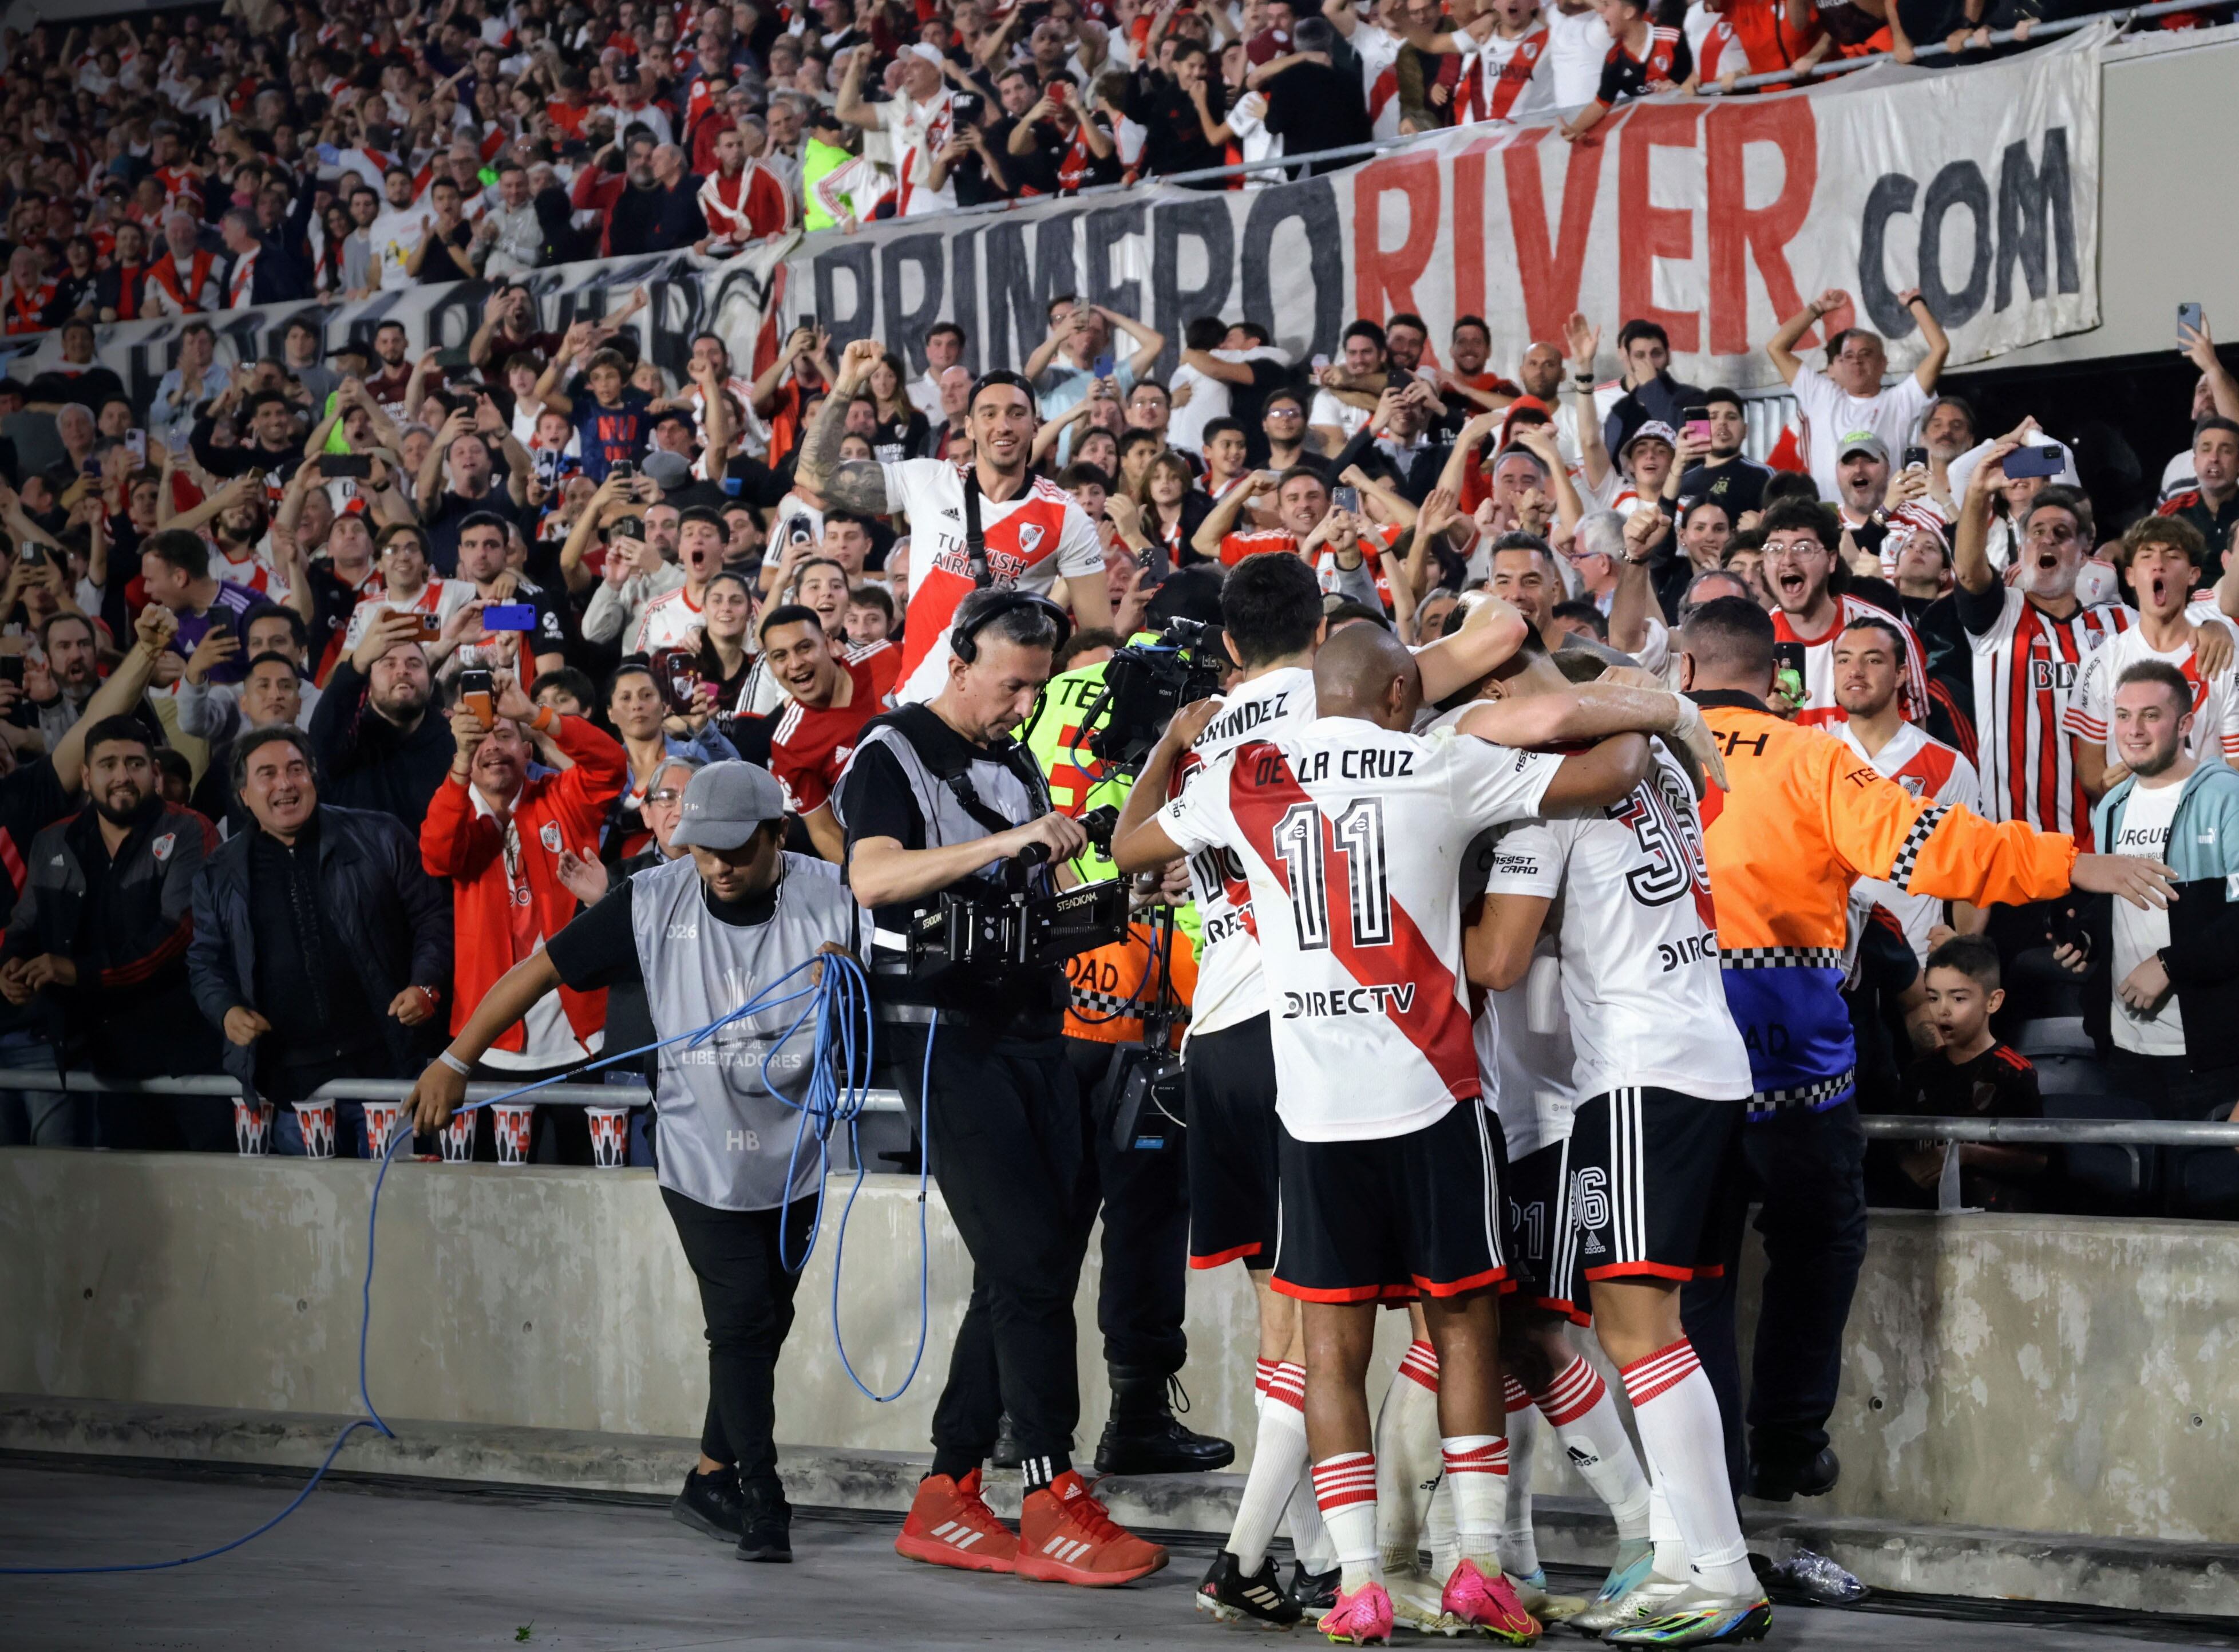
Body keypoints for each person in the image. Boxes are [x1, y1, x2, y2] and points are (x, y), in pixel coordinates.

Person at [1109, 555, 1716, 1627]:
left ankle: (1355, 1584)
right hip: (1440, 1095)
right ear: (1401, 692)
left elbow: (1126, 845)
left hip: (1304, 1101)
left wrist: (1170, 744)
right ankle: (1485, 1556)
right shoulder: (1438, 761)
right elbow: (1608, 763)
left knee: (1328, 1348)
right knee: (1470, 1330)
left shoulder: (1244, 772)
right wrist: (1645, 705)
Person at [1676, 595, 2177, 1513]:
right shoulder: (1811, 758)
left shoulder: (1640, 764)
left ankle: (1705, 1490)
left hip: (1668, 1072)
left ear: (1684, 671)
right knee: (1820, 1241)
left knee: (1693, 1276)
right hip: (1796, 1074)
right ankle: (1787, 1442)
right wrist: (2070, 864)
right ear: (1778, 678)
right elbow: (1933, 846)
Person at [410, 761, 857, 1564]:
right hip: (698, 1149)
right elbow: (539, 970)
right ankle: (764, 1497)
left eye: (735, 851)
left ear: (776, 834)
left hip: (796, 1152)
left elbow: (884, 996)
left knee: (767, 1321)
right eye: (702, 849)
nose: (716, 866)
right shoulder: (653, 898)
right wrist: (456, 1057)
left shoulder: (835, 891)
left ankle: (709, 1475)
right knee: (742, 1324)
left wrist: (844, 979)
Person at [835, 588, 1166, 1587]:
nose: (1022, 705)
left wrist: (1123, 892)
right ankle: (1047, 1489)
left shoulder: (1014, 759)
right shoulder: (890, 753)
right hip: (943, 1034)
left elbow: (1033, 895)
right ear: (959, 657)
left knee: (1029, 1264)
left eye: (1036, 686)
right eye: (1009, 683)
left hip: (1032, 1026)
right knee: (1026, 1266)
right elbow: (873, 878)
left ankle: (946, 1488)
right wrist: (1002, 844)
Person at [1459, 630, 1768, 1642]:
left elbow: (1498, 961)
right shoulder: (1659, 778)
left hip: (1638, 1071)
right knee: (1653, 1331)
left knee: (1636, 1333)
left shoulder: (1550, 785)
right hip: (1705, 1057)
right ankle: (1681, 1561)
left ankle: (1719, 1576)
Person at [800, 344, 1112, 706]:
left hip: (1004, 723)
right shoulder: (928, 481)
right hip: (918, 706)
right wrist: (846, 384)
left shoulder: (1065, 516)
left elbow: (1096, 641)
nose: (1003, 426)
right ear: (970, 426)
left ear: (1034, 426)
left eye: (1016, 413)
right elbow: (814, 476)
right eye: (989, 414)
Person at [188, 728, 450, 1157]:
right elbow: (205, 962)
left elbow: (433, 919)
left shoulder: (379, 835)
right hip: (291, 1093)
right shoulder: (218, 873)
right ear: (244, 795)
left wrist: (425, 984)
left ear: (313, 777)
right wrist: (226, 1010)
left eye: (296, 770)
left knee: (400, 1214)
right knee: (315, 1217)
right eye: (267, 774)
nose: (285, 784)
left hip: (387, 1075)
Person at [421, 671, 628, 1161]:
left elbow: (611, 764)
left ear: (527, 750)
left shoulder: (561, 797)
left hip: (582, 1041)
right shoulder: (456, 811)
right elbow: (437, 855)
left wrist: (534, 713)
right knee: (496, 1201)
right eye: (481, 738)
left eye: (505, 735)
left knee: (590, 1191)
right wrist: (458, 765)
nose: (493, 747)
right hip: (490, 1045)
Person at [1, 713, 224, 1149]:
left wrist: (79, 972)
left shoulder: (190, 829)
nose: (122, 776)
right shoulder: (53, 842)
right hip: (99, 1061)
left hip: (187, 1056)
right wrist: (11, 966)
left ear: (155, 773)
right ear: (86, 776)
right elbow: (26, 925)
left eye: (135, 764)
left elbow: (178, 934)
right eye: (108, 765)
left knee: (209, 1193)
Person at [2056, 662, 2239, 1121]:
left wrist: (2168, 965)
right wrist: (2087, 941)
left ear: (2185, 724)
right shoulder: (2113, 805)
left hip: (2210, 1056)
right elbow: (2115, 909)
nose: (2132, 731)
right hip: (2124, 1050)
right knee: (2132, 1189)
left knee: (2209, 1191)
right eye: (2122, 715)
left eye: (2150, 716)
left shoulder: (2227, 798)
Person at [1953, 439, 2133, 848]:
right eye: (2037, 532)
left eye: (2062, 533)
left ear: (2086, 549)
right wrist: (1979, 492)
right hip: (2014, 852)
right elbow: (1967, 572)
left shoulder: (2121, 624)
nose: (2047, 541)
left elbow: (2184, 629)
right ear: (2022, 544)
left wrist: (2208, 630)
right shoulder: (1999, 616)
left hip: (2097, 849)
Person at [1833, 615, 1984, 963]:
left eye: (1872, 660)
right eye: (1844, 660)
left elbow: (1971, 868)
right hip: (1828, 966)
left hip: (1914, 967)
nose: (1855, 671)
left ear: (1901, 674)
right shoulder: (1811, 755)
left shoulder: (1948, 766)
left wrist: (1962, 945)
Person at [2067, 515, 2239, 802]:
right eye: (2147, 556)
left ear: (2193, 575)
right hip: (2131, 830)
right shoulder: (2103, 661)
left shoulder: (2220, 656)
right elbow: (2091, 772)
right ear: (2131, 576)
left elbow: (2235, 762)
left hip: (2200, 826)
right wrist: (2106, 788)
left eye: (2172, 556)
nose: (2159, 564)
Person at [1874, 937, 2046, 1212]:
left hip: (1995, 1221)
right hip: (1925, 1219)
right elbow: (1899, 1140)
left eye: (1958, 998)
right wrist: (1908, 1163)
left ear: (1993, 1001)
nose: (1943, 1009)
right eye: (1933, 997)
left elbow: (2035, 1159)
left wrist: (1966, 1154)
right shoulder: (1920, 1070)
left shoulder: (2014, 1072)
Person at [1765, 286, 1949, 503]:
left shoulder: (1900, 401)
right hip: (1831, 522)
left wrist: (1915, 302)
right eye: (1848, 356)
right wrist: (1817, 309)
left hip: (1886, 520)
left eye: (1866, 354)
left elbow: (1940, 348)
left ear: (1883, 363)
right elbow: (1777, 347)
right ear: (1836, 366)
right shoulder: (1821, 395)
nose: (1857, 361)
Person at [1760, 499, 1928, 730]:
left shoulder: (1889, 635)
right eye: (1775, 549)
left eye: (1803, 549)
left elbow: (1915, 746)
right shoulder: (1753, 644)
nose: (1787, 561)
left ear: (1831, 560)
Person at [309, 611, 456, 828]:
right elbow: (322, 734)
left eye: (414, 664)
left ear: (431, 681)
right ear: (367, 687)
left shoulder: (454, 742)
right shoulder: (348, 744)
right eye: (389, 664)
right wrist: (357, 663)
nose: (402, 671)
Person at [759, 604, 880, 864]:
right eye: (780, 656)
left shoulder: (887, 658)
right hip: (889, 845)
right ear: (770, 664)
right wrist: (865, 876)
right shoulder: (790, 743)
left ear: (827, 642)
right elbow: (823, 830)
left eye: (804, 647)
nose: (795, 663)